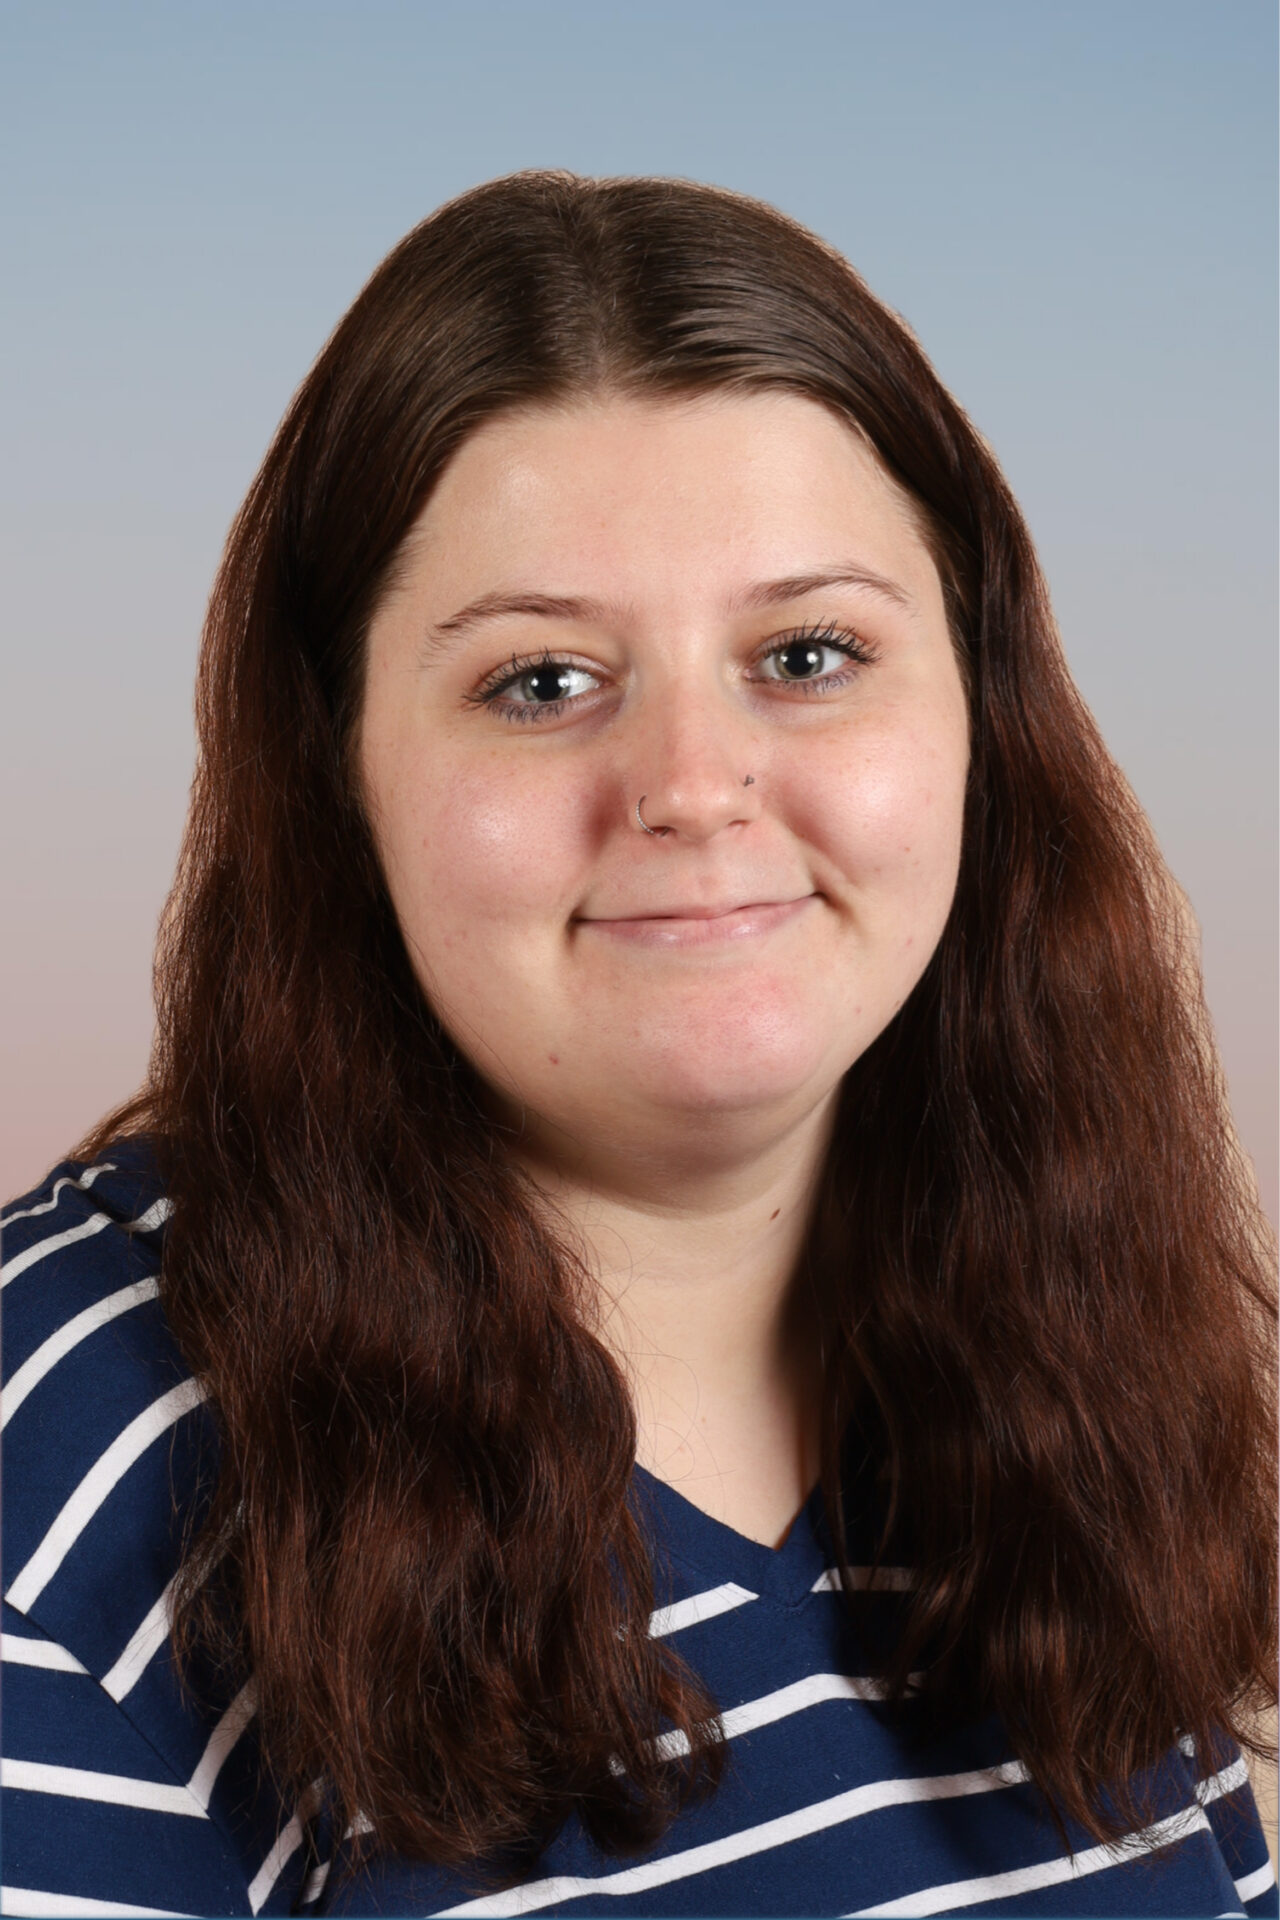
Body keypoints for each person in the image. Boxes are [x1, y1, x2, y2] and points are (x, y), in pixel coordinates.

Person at [1, 169, 1275, 1920]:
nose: (690, 785)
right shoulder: (55, 1483)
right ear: (338, 775)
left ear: (983, 715)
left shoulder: (1057, 1347)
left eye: (808, 653)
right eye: (541, 682)